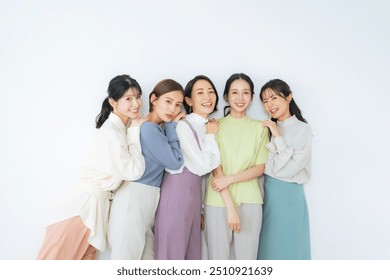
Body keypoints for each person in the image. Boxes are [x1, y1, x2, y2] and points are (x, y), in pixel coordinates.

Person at [36, 74, 146, 260]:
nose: (135, 103)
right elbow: (134, 171)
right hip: (81, 210)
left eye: (137, 97)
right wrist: (135, 131)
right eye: (128, 98)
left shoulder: (119, 130)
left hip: (93, 209)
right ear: (113, 102)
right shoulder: (111, 132)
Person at [108, 79, 185, 260]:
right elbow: (175, 161)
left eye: (178, 105)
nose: (172, 109)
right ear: (153, 99)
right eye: (168, 101)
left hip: (147, 199)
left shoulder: (154, 128)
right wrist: (172, 126)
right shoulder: (149, 129)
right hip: (134, 197)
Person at [154, 75, 220, 260]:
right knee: (171, 253)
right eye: (200, 93)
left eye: (211, 92)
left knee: (192, 254)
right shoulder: (183, 125)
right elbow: (203, 166)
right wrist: (211, 136)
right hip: (177, 191)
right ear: (189, 100)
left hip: (193, 194)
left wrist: (200, 210)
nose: (207, 97)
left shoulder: (207, 126)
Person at [204, 73, 269, 260]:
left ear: (251, 96)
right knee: (218, 262)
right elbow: (214, 165)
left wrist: (229, 179)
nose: (240, 98)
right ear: (226, 96)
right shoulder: (214, 126)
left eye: (245, 93)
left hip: (250, 201)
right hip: (218, 200)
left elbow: (260, 168)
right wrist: (231, 208)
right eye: (235, 92)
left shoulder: (260, 128)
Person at [257, 79, 312, 260]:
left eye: (273, 98)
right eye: (265, 101)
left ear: (289, 97)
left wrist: (278, 137)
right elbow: (267, 167)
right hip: (268, 194)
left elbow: (288, 170)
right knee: (268, 248)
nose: (270, 105)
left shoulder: (302, 129)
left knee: (290, 247)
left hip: (290, 196)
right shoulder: (266, 128)